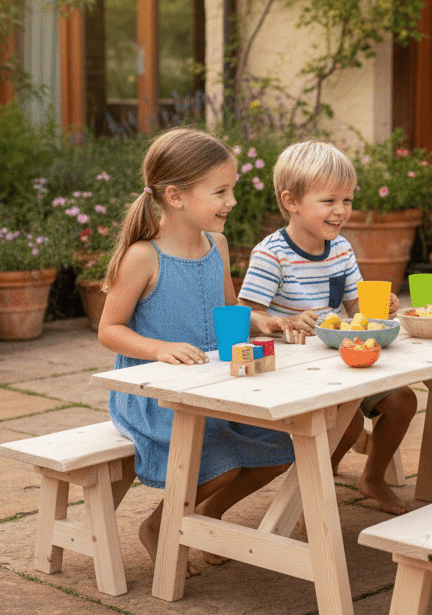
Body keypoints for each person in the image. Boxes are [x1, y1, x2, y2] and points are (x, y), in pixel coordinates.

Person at [98, 127, 296, 572]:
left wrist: (263, 320)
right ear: (176, 196)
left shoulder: (217, 246)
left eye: (232, 190)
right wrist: (159, 348)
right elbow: (109, 329)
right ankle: (159, 525)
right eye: (221, 191)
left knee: (281, 450)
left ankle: (207, 516)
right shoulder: (143, 257)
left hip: (213, 384)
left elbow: (228, 306)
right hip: (153, 395)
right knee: (220, 465)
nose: (232, 201)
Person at [238, 139, 418, 515]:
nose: (341, 211)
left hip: (341, 360)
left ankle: (373, 477)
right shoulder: (271, 254)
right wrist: (279, 321)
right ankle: (311, 497)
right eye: (329, 201)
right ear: (292, 201)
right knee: (345, 422)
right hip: (295, 366)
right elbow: (245, 312)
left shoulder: (341, 249)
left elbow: (355, 307)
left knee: (403, 400)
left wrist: (380, 307)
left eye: (347, 201)